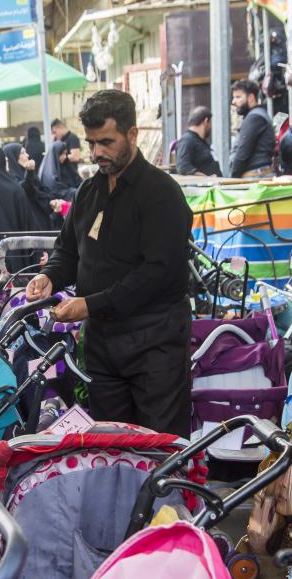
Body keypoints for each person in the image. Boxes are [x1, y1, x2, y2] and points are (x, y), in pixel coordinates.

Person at [27, 89, 192, 436]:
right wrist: (50, 277)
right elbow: (68, 251)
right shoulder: (88, 192)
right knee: (112, 450)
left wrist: (89, 304)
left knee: (159, 450)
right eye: (91, 142)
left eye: (106, 141)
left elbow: (155, 275)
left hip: (154, 346)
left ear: (132, 134)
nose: (97, 152)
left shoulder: (162, 194)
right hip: (103, 347)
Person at [229, 79, 276, 178]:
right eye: (233, 97)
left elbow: (242, 153)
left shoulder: (254, 117)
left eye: (238, 97)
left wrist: (233, 178)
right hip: (258, 174)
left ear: (250, 97)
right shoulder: (257, 115)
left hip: (255, 176)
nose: (234, 101)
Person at [4, 142, 54, 230]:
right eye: (23, 153)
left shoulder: (25, 172)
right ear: (13, 157)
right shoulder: (10, 178)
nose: (27, 155)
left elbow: (40, 190)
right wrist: (29, 173)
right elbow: (25, 190)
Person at [175, 106, 222, 177]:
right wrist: (207, 178)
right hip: (202, 186)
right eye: (210, 123)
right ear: (206, 121)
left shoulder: (200, 140)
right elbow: (183, 167)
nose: (210, 127)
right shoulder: (187, 140)